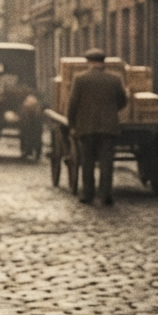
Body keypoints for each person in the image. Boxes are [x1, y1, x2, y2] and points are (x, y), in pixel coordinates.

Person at [67, 48, 129, 204]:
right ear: (103, 63)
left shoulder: (80, 79)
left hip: (86, 127)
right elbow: (122, 101)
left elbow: (73, 103)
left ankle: (88, 194)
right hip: (108, 127)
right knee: (106, 162)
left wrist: (72, 124)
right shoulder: (114, 79)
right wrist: (111, 111)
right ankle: (105, 195)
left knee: (87, 161)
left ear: (89, 63)